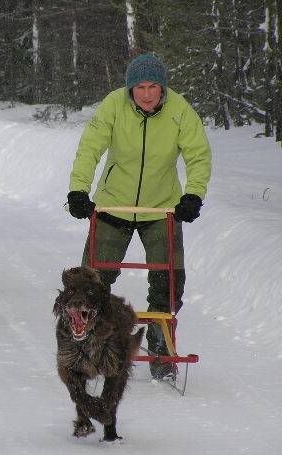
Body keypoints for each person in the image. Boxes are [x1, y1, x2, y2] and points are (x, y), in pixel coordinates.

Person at [66, 53, 212, 379]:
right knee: (90, 281)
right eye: (140, 87)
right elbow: (90, 147)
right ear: (130, 89)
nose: (147, 94)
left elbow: (198, 155)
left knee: (169, 282)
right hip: (114, 205)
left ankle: (161, 346)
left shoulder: (180, 111)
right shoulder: (113, 106)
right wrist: (78, 190)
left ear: (163, 88)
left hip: (161, 208)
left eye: (153, 87)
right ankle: (86, 343)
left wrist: (193, 195)